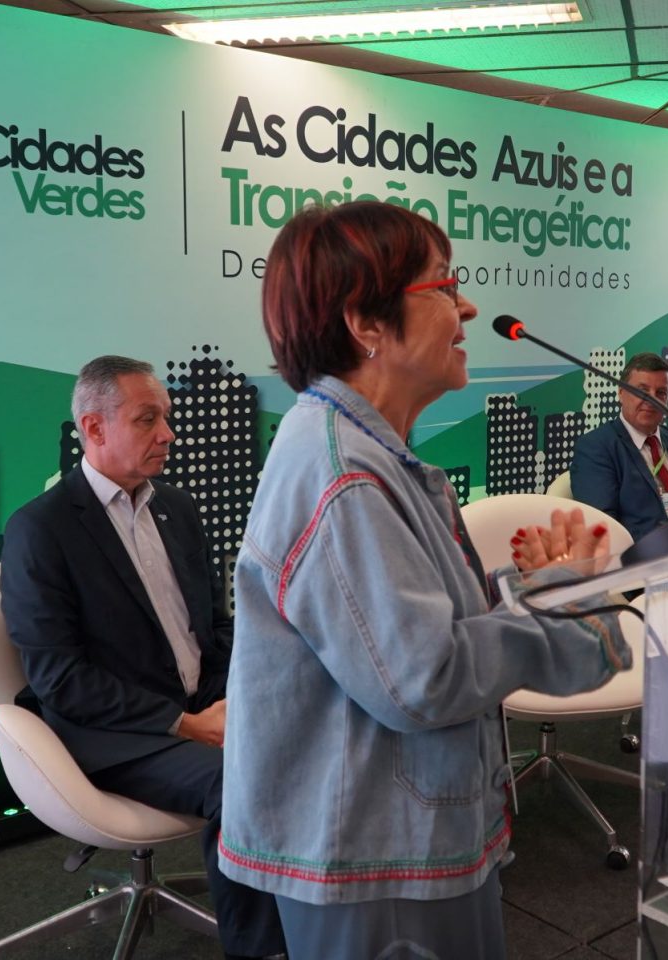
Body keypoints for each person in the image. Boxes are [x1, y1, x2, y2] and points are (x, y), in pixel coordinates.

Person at [218, 201, 631, 960]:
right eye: (445, 286)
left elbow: (409, 630)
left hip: (392, 841)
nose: (467, 306)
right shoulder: (341, 474)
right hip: (372, 864)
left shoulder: (365, 453)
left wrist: (539, 588)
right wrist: (554, 603)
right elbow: (421, 676)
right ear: (367, 324)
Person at [0, 355, 286, 960]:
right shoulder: (40, 530)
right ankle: (262, 950)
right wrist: (185, 724)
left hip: (199, 700)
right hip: (116, 731)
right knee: (242, 779)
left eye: (168, 418)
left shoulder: (175, 507)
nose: (168, 435)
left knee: (312, 733)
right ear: (94, 428)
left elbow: (215, 625)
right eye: (148, 419)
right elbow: (59, 679)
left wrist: (236, 693)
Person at [570, 352, 668, 543]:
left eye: (660, 393)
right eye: (641, 391)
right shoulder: (596, 447)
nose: (651, 400)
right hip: (651, 557)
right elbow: (604, 528)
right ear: (621, 392)